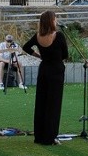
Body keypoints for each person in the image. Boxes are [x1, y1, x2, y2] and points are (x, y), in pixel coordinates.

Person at [22, 11, 69, 145]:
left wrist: (38, 55)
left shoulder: (38, 36)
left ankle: (40, 135)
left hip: (44, 70)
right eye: (55, 18)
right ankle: (50, 136)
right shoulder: (58, 36)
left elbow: (26, 47)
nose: (56, 20)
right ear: (51, 21)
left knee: (41, 102)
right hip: (56, 71)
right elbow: (65, 54)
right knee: (53, 104)